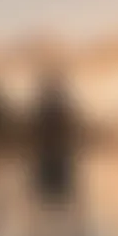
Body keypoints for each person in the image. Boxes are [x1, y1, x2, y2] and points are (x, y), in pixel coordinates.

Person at [29, 67, 80, 206]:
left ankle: (52, 187)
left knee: (53, 171)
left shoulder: (50, 108)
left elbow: (65, 129)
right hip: (52, 152)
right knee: (53, 172)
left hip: (53, 152)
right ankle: (52, 187)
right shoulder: (52, 108)